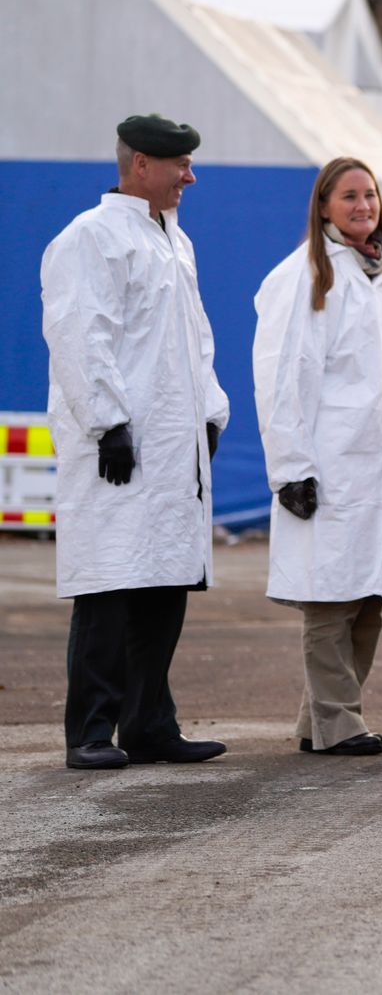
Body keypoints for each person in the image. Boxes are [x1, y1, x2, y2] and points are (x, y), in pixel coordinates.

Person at [41, 115, 230, 770]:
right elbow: (78, 333)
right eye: (179, 164)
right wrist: (107, 421)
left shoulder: (176, 243)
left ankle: (150, 723)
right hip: (118, 448)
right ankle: (90, 730)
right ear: (141, 164)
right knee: (110, 588)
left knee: (162, 587)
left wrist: (210, 412)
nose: (190, 175)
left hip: (174, 448)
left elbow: (195, 340)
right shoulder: (91, 238)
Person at [252, 157, 382, 756]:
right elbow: (282, 375)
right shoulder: (308, 276)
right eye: (349, 196)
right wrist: (290, 468)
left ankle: (320, 721)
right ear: (324, 207)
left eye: (370, 195)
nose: (363, 206)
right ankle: (339, 721)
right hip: (332, 464)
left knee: (368, 599)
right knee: (328, 598)